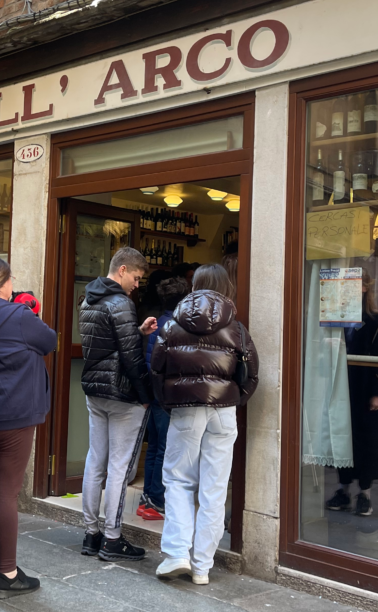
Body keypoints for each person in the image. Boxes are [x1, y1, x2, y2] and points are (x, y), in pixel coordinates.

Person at [151, 263, 259, 584]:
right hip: (224, 411)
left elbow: (157, 371)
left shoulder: (172, 325)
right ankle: (202, 567)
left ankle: (176, 554)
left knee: (178, 479)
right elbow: (252, 375)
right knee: (214, 488)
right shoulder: (237, 329)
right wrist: (235, 399)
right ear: (227, 287)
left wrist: (168, 402)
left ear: (194, 286)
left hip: (186, 409)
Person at [0, 256, 57, 598]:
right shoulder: (19, 315)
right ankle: (7, 574)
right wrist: (28, 309)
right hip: (14, 418)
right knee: (5, 494)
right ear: (2, 282)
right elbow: (50, 342)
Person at [79, 247, 157, 561]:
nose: (137, 285)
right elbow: (131, 358)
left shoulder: (88, 299)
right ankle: (112, 538)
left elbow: (106, 345)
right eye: (136, 278)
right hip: (123, 396)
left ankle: (90, 534)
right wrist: (145, 396)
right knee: (119, 468)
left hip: (94, 391)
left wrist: (136, 332)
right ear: (122, 270)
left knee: (94, 461)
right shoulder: (121, 303)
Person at [326, 272, 378, 518]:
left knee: (366, 442)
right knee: (341, 440)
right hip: (340, 387)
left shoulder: (376, 320)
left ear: (364, 288)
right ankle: (343, 490)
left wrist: (377, 393)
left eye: (352, 285)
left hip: (364, 389)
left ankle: (365, 494)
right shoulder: (335, 318)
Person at [138, 276, 190, 521]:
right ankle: (157, 499)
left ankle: (148, 496)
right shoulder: (177, 328)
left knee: (154, 447)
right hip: (167, 396)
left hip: (153, 393)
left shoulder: (156, 323)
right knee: (164, 449)